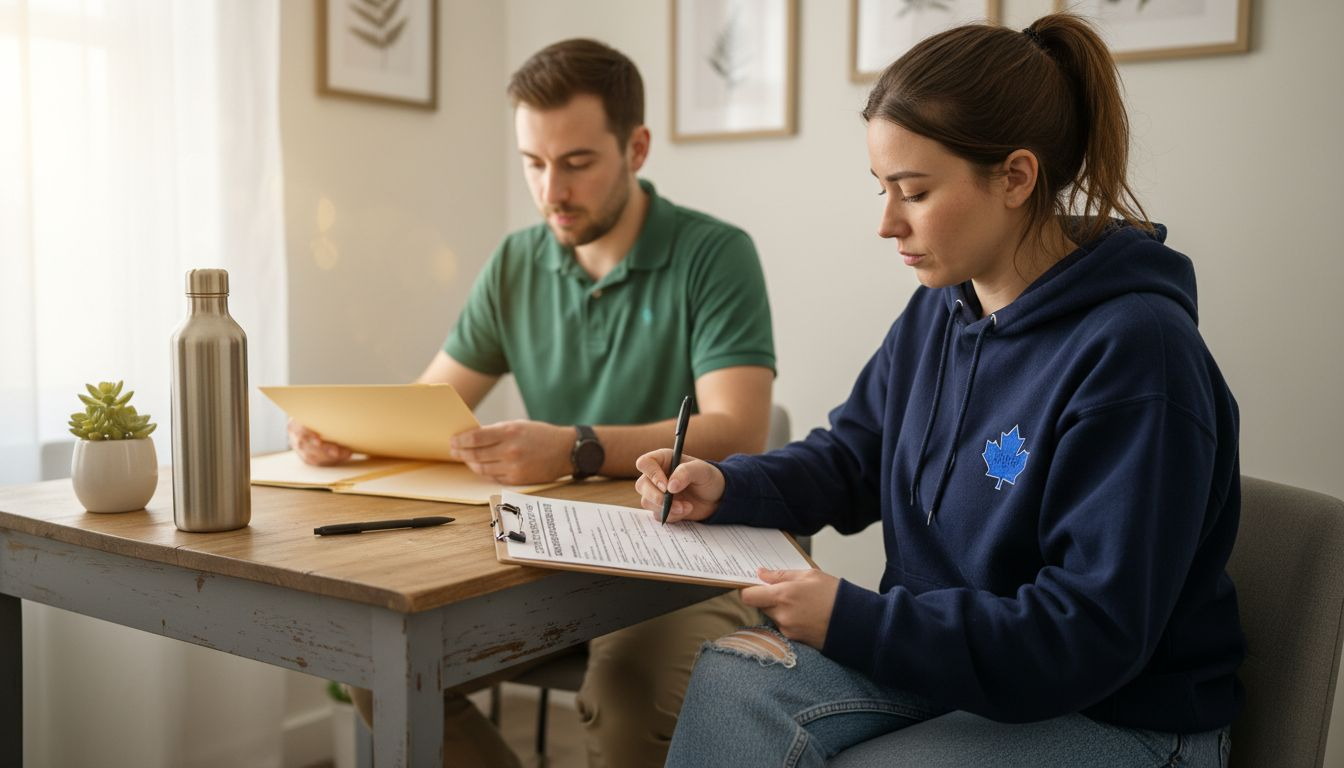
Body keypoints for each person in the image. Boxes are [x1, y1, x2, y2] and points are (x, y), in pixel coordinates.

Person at [637, 13, 1243, 768]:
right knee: (734, 679)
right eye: (881, 188)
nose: (887, 223)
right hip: (959, 666)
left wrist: (856, 622)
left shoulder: (1137, 353)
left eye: (913, 191)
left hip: (1122, 711)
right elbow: (856, 457)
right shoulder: (941, 306)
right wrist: (728, 485)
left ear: (1016, 177)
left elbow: (1089, 633)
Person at [290, 39, 775, 768]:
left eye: (577, 163)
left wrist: (574, 446)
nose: (552, 190)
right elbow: (433, 403)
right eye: (533, 163)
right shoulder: (517, 261)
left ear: (636, 148)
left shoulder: (715, 253)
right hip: (546, 557)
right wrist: (349, 435)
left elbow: (740, 434)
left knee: (629, 704)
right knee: (381, 667)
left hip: (686, 553)